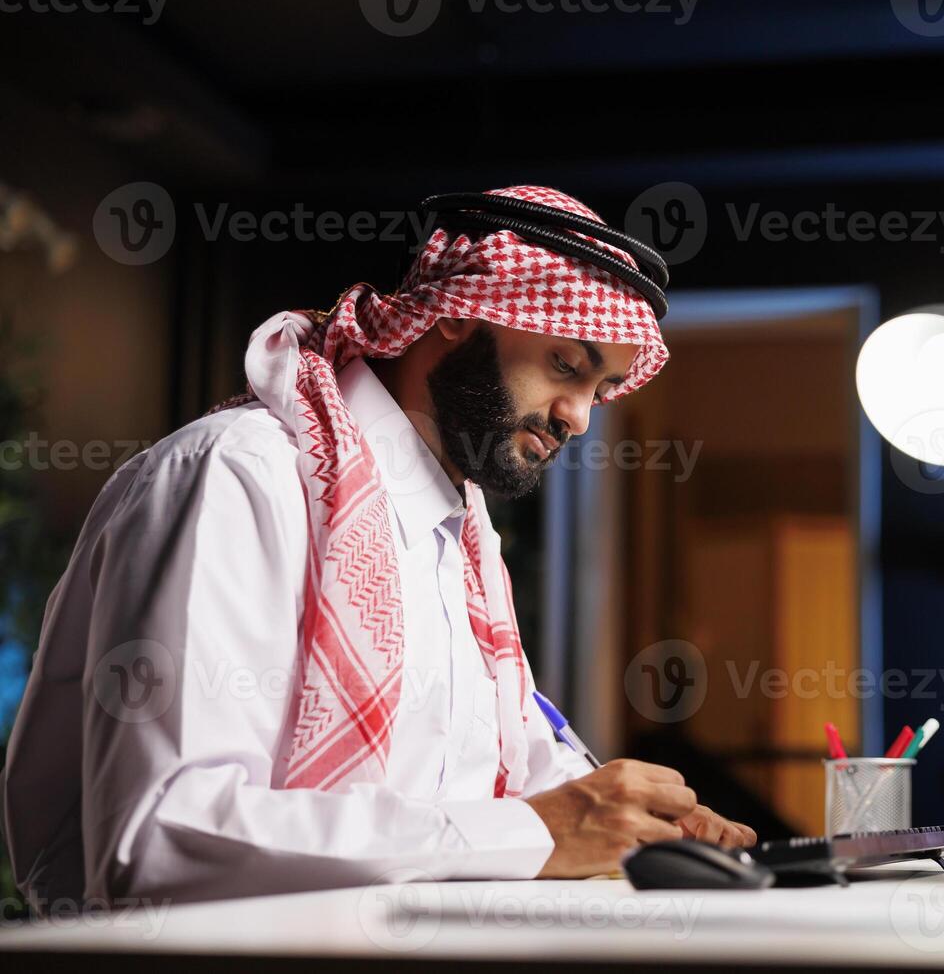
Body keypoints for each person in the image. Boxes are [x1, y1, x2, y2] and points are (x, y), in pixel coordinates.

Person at [2, 185, 754, 909]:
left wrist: (646, 825)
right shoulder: (243, 478)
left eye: (603, 388)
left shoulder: (463, 540)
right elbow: (158, 838)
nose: (579, 417)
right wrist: (539, 830)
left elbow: (513, 779)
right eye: (566, 364)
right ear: (460, 313)